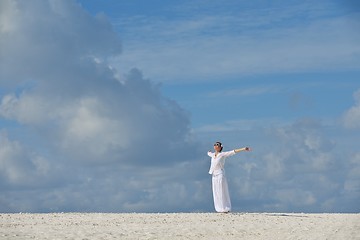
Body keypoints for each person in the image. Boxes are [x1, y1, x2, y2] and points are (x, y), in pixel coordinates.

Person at [208, 141, 251, 213]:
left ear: (220, 147)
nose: (215, 146)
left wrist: (243, 149)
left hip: (220, 174)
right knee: (216, 192)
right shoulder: (212, 155)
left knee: (221, 191)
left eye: (217, 145)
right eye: (215, 145)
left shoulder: (222, 154)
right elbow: (209, 153)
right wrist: (208, 152)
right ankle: (219, 209)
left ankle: (225, 208)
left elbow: (233, 151)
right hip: (214, 175)